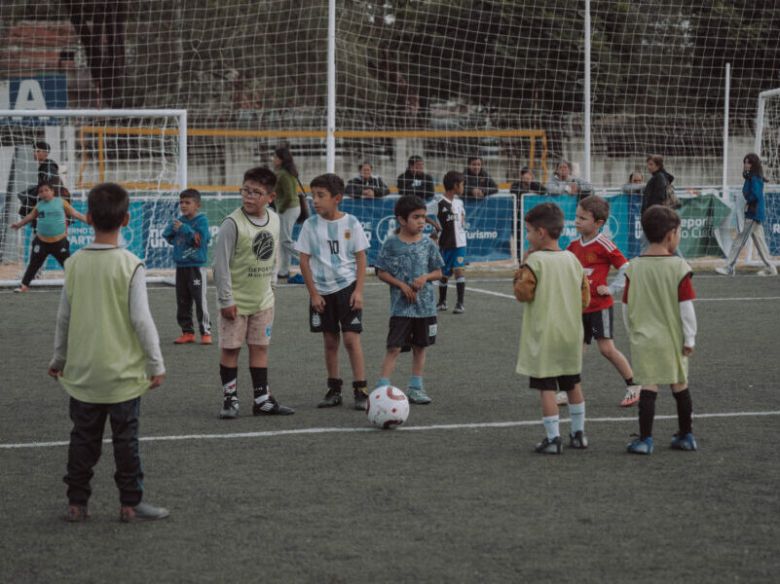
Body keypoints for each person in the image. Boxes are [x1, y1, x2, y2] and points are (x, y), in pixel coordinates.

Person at [48, 182, 169, 522]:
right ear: (127, 219)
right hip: (124, 377)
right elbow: (142, 320)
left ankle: (77, 502)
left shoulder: (73, 264)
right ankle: (130, 503)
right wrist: (155, 363)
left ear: (86, 218)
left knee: (82, 440)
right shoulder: (131, 264)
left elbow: (63, 320)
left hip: (84, 374)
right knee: (125, 441)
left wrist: (58, 360)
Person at [213, 166, 295, 419]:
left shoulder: (274, 219)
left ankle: (262, 400)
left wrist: (272, 286)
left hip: (264, 300)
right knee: (231, 349)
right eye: (245, 190)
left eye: (256, 192)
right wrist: (226, 300)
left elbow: (273, 256)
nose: (248, 197)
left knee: (260, 347)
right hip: (235, 302)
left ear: (270, 197)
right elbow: (220, 266)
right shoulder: (232, 224)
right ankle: (230, 399)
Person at [513, 202, 590, 454]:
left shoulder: (534, 261)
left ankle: (553, 439)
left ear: (541, 232)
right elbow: (585, 299)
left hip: (544, 335)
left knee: (546, 387)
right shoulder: (572, 259)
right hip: (570, 334)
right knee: (572, 384)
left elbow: (523, 294)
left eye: (529, 231)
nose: (527, 236)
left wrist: (520, 269)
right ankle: (578, 434)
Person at [623, 205, 698, 455]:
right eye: (679, 233)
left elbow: (626, 305)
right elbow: (686, 308)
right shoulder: (679, 267)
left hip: (644, 339)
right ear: (670, 235)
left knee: (648, 387)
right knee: (679, 385)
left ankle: (645, 440)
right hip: (673, 339)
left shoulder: (633, 267)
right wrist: (690, 338)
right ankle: (686, 436)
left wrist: (632, 330)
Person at [295, 173, 371, 410]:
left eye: (321, 196)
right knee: (329, 341)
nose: (314, 201)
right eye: (313, 195)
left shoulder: (351, 223)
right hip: (322, 291)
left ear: (337, 198)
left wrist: (358, 291)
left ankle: (361, 389)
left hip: (347, 289)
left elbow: (361, 258)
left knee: (351, 339)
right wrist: (314, 294)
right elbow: (304, 261)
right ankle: (334, 389)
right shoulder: (310, 225)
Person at [566, 196, 641, 408]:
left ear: (598, 223)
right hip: (580, 307)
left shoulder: (604, 244)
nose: (577, 221)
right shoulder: (572, 246)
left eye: (583, 218)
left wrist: (611, 288)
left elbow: (626, 267)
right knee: (575, 349)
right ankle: (568, 389)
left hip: (600, 307)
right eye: (576, 217)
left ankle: (633, 385)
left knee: (607, 349)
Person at [374, 196, 444, 404]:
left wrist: (425, 277)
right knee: (394, 347)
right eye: (416, 217)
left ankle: (415, 387)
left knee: (420, 347)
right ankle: (382, 387)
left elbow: (439, 272)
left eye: (423, 217)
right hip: (401, 308)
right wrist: (401, 285)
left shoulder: (428, 244)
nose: (422, 221)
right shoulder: (391, 244)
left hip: (425, 308)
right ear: (402, 220)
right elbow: (381, 272)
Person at [11, 181, 87, 293]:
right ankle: (24, 285)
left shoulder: (61, 202)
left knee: (68, 265)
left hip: (59, 242)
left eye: (46, 190)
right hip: (41, 242)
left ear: (52, 191)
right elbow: (30, 216)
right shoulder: (39, 205)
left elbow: (76, 214)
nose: (44, 193)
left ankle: (78, 285)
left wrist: (90, 221)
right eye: (41, 191)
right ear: (39, 195)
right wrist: (19, 224)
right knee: (33, 265)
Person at [162, 188, 212, 344]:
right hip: (181, 267)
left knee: (199, 299)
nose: (183, 205)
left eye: (187, 202)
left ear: (197, 205)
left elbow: (199, 240)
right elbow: (167, 236)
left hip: (196, 267)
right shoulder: (180, 220)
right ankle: (187, 332)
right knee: (182, 300)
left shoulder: (201, 221)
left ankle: (206, 332)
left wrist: (184, 229)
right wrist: (173, 232)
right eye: (181, 202)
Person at [716, 153, 777, 277]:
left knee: (739, 240)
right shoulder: (753, 177)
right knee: (760, 242)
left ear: (753, 164)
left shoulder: (754, 178)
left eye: (748, 162)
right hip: (755, 214)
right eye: (744, 162)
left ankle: (729, 267)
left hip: (752, 214)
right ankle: (771, 268)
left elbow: (756, 195)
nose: (745, 164)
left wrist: (745, 201)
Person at [430, 171, 468, 314]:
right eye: (462, 184)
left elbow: (462, 215)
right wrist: (433, 224)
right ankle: (442, 302)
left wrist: (462, 222)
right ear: (455, 186)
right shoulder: (438, 203)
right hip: (445, 244)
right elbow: (421, 211)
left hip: (460, 244)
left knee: (459, 270)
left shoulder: (459, 202)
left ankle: (460, 304)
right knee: (444, 274)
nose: (463, 187)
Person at [272, 146, 304, 284]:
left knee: (285, 240)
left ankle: (308, 258)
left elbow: (290, 196)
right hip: (290, 208)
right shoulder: (285, 172)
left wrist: (281, 209)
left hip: (288, 209)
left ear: (281, 159)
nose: (273, 160)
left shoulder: (284, 174)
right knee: (284, 240)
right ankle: (284, 270)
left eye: (275, 157)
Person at [17, 141, 60, 221]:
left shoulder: (49, 168)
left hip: (51, 205)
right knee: (23, 194)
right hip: (46, 204)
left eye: (36, 151)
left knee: (25, 195)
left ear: (45, 153)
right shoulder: (44, 167)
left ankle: (35, 217)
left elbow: (51, 188)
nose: (34, 153)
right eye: (34, 151)